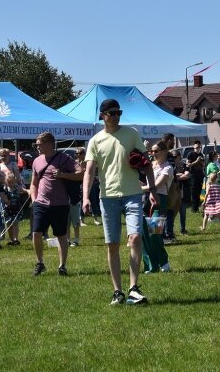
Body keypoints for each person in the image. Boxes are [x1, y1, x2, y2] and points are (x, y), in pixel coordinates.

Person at [83, 99, 160, 305]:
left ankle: (134, 288)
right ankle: (117, 292)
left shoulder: (132, 133)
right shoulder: (95, 141)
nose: (116, 116)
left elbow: (148, 165)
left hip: (133, 194)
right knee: (113, 245)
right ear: (102, 115)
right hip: (107, 197)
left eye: (119, 112)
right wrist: (85, 198)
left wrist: (152, 189)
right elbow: (90, 171)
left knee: (135, 238)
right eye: (112, 113)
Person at [30, 132, 83, 276]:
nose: (37, 147)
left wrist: (63, 175)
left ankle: (62, 265)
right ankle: (40, 263)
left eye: (39, 144)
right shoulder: (37, 161)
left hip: (60, 204)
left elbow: (81, 174)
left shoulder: (65, 158)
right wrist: (34, 199)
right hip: (40, 203)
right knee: (36, 233)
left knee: (61, 235)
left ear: (49, 144)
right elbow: (34, 183)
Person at [141, 141, 172, 272]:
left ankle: (163, 262)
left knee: (154, 233)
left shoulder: (168, 168)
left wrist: (138, 188)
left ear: (164, 151)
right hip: (146, 200)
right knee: (144, 235)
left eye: (156, 151)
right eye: (152, 151)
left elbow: (156, 185)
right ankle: (151, 266)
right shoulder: (150, 165)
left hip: (160, 201)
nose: (153, 154)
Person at [4, 173, 28, 246]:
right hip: (8, 209)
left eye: (12, 182)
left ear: (14, 181)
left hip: (16, 208)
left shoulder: (17, 187)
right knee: (8, 223)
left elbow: (23, 190)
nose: (10, 184)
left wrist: (28, 191)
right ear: (6, 182)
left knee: (15, 222)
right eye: (9, 182)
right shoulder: (5, 188)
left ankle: (15, 239)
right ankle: (11, 240)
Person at [186, 140, 205, 213]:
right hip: (193, 175)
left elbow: (203, 165)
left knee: (199, 191)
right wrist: (196, 161)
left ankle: (197, 207)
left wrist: (202, 162)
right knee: (194, 192)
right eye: (196, 147)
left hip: (200, 175)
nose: (197, 148)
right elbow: (188, 164)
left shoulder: (201, 155)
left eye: (199, 147)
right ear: (194, 147)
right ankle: (194, 209)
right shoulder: (190, 154)